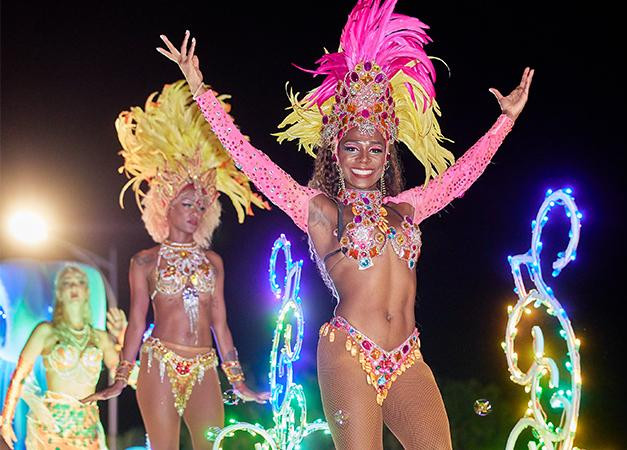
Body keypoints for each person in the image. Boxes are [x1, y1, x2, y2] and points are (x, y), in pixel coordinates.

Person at [159, 0, 533, 447]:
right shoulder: (320, 209)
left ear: (387, 155)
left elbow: (458, 179)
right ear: (335, 152)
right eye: (352, 147)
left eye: (375, 149)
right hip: (349, 352)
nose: (363, 159)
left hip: (408, 357)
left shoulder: (407, 207)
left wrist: (505, 121)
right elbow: (251, 160)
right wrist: (201, 91)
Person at [83, 81, 269, 450]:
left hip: (204, 365)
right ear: (164, 206)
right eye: (186, 204)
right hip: (159, 363)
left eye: (200, 206)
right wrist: (121, 376)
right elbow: (137, 321)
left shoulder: (213, 262)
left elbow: (220, 323)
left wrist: (237, 380)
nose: (194, 212)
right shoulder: (145, 261)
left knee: (211, 444)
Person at [0, 265, 127, 449]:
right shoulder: (46, 332)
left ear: (87, 291)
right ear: (59, 293)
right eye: (67, 283)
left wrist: (123, 338)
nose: (74, 287)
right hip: (52, 429)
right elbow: (19, 377)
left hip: (88, 429)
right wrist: (6, 421)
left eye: (79, 282)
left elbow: (126, 378)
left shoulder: (100, 338)